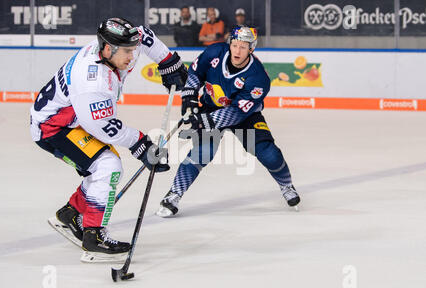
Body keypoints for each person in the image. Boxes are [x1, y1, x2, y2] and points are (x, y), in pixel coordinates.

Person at [30, 17, 188, 262]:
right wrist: (142, 145)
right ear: (107, 48)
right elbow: (101, 127)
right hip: (53, 128)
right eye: (126, 51)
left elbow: (144, 35)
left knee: (102, 167)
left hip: (75, 120)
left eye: (132, 49)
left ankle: (70, 214)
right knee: (107, 165)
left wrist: (168, 62)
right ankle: (93, 236)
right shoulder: (91, 81)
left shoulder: (117, 49)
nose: (131, 56)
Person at [155, 26, 301, 218]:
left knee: (268, 152)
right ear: (229, 44)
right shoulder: (215, 52)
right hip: (210, 106)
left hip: (245, 116)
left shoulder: (258, 78)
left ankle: (286, 185)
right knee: (202, 153)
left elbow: (238, 112)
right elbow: (195, 73)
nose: (237, 51)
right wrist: (189, 97)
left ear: (251, 49)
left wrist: (203, 121)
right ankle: (174, 194)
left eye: (243, 47)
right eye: (234, 45)